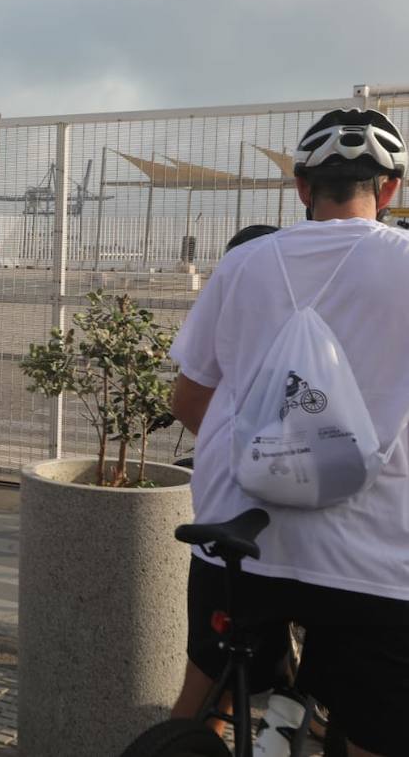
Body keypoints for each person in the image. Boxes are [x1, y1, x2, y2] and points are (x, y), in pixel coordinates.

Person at [168, 108, 409, 757]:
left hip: (238, 530)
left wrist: (269, 452)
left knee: (208, 691)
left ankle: (184, 735)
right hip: (371, 555)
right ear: (390, 190)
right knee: (373, 735)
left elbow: (188, 398)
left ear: (302, 187)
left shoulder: (245, 263)